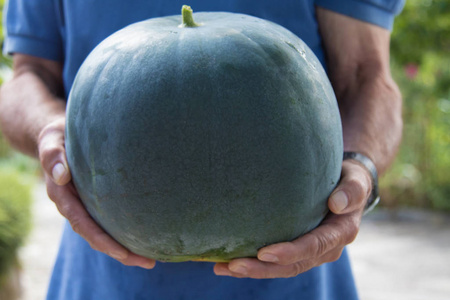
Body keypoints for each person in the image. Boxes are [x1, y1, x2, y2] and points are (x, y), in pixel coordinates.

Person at [0, 0, 404, 299]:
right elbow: (27, 76)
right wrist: (47, 128)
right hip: (102, 279)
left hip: (295, 280)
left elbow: (368, 77)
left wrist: (360, 166)